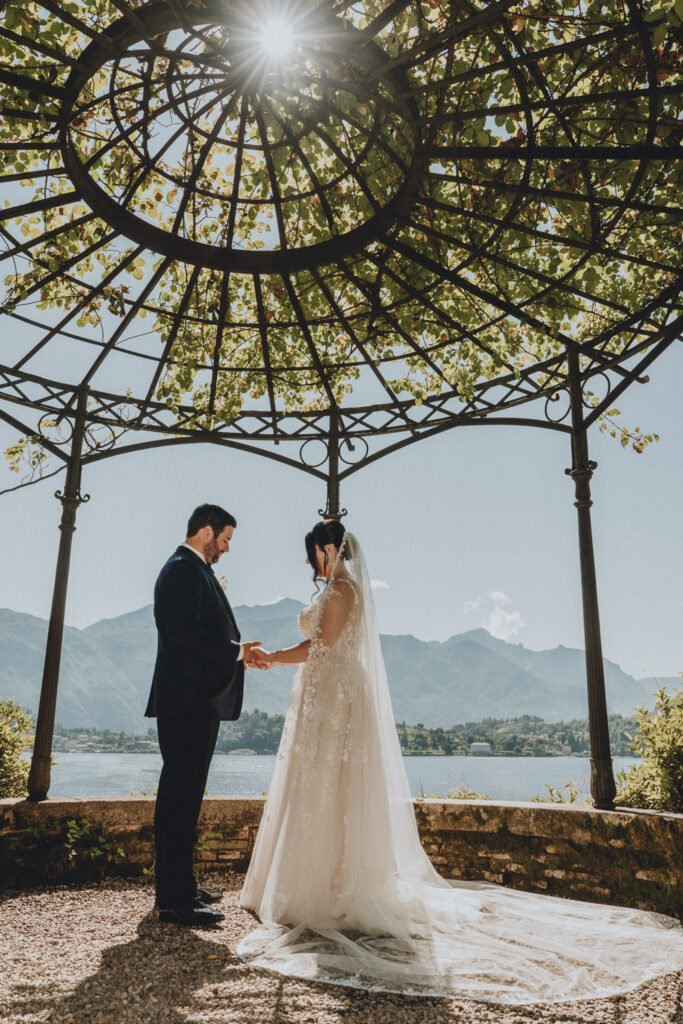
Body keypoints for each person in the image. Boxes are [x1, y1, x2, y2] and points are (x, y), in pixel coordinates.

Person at [238, 520, 683, 1003]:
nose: (310, 565)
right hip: (328, 697)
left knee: (331, 787)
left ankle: (330, 887)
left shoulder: (342, 590)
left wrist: (272, 657)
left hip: (335, 701)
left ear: (327, 549)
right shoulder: (342, 587)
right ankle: (325, 878)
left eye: (312, 555)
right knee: (325, 789)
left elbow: (322, 648)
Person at [145, 503, 264, 926]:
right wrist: (237, 652)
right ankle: (174, 901)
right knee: (179, 798)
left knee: (186, 798)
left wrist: (238, 652)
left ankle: (181, 886)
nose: (227, 549)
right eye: (226, 539)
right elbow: (182, 639)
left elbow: (198, 634)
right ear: (207, 531)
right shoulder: (182, 569)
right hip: (186, 703)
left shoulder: (191, 569)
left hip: (191, 701)